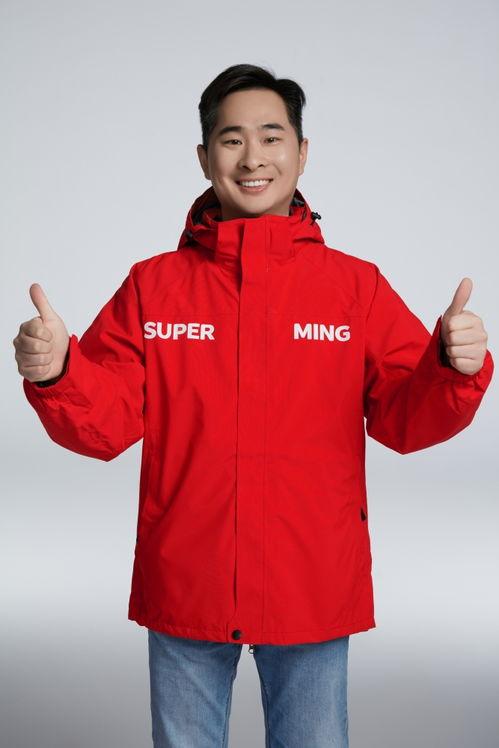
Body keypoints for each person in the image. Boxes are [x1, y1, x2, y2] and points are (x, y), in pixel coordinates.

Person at [14, 63, 494, 747]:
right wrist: (59, 371)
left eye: (271, 137)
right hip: (187, 572)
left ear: (302, 152)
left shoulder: (353, 288)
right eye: (232, 139)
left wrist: (451, 367)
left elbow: (402, 418)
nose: (253, 157)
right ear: (204, 156)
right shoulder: (154, 287)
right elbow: (107, 424)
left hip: (310, 579)